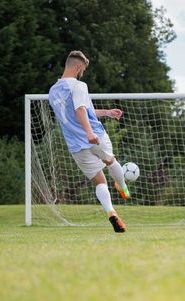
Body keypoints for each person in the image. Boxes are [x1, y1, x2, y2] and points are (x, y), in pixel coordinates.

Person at [49, 50, 129, 233]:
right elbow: (80, 111)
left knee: (99, 180)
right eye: (82, 69)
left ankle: (111, 213)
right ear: (78, 66)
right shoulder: (78, 86)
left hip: (75, 145)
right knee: (111, 161)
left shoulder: (53, 91)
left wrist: (107, 112)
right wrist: (89, 132)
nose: (82, 73)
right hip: (95, 136)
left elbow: (85, 110)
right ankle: (123, 187)